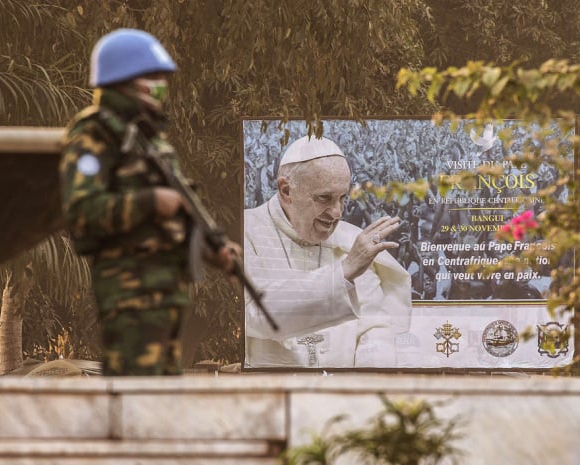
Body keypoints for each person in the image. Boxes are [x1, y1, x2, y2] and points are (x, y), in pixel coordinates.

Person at [60, 28, 239, 376]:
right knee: (134, 393)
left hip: (167, 292)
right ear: (122, 80)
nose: (160, 86)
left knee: (159, 398)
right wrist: (151, 200)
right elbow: (82, 212)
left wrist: (211, 251)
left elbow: (175, 219)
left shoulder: (151, 139)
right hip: (129, 292)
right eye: (152, 77)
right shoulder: (94, 132)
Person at [244, 135, 412, 368]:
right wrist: (343, 273)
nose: (336, 212)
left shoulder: (350, 240)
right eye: (324, 198)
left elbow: (375, 327)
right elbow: (255, 314)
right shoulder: (247, 231)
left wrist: (367, 386)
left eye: (343, 198)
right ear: (286, 190)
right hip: (274, 396)